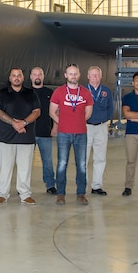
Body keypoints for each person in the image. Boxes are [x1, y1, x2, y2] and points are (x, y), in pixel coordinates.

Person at [0, 68, 40, 205]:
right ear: (10, 78)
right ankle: (2, 193)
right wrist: (14, 123)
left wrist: (24, 123)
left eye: (18, 75)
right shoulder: (2, 93)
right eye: (13, 75)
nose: (16, 78)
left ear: (23, 78)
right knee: (5, 167)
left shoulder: (31, 93)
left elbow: (37, 111)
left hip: (26, 137)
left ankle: (25, 194)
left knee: (25, 168)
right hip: (5, 138)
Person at [49, 63, 94, 205]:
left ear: (79, 75)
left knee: (81, 164)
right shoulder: (59, 92)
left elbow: (88, 113)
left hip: (81, 133)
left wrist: (77, 122)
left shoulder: (85, 92)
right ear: (65, 75)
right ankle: (61, 194)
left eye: (75, 73)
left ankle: (81, 193)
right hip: (64, 134)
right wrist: (61, 123)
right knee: (62, 164)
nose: (73, 76)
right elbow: (52, 111)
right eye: (70, 73)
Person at [85, 66, 114, 196]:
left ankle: (97, 186)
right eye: (92, 75)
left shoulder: (106, 91)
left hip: (101, 127)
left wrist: (104, 120)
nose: (95, 77)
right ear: (88, 76)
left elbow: (110, 109)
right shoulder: (83, 90)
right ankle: (82, 185)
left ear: (101, 76)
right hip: (86, 127)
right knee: (83, 158)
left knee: (100, 158)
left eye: (97, 75)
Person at [30, 67, 57, 194]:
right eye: (35, 74)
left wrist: (55, 127)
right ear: (30, 77)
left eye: (39, 74)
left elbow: (56, 111)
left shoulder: (50, 93)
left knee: (47, 161)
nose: (37, 76)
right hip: (28, 134)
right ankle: (23, 185)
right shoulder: (26, 93)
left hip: (46, 133)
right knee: (26, 162)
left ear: (43, 76)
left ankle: (50, 185)